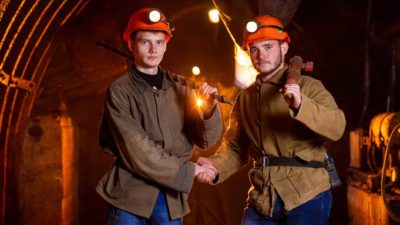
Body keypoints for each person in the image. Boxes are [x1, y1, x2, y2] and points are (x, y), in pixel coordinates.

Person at [196, 15, 346, 225]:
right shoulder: (246, 98)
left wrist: (301, 105)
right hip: (263, 196)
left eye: (267, 46)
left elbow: (337, 127)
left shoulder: (309, 87)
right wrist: (214, 167)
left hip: (306, 194)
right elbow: (235, 148)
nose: (260, 55)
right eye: (254, 49)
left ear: (284, 48)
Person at [96, 8, 223, 225]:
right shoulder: (119, 92)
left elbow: (205, 141)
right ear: (130, 44)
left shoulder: (181, 88)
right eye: (145, 42)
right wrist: (191, 171)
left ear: (166, 44)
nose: (154, 49)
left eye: (159, 42)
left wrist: (210, 111)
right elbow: (137, 149)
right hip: (130, 198)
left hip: (170, 198)